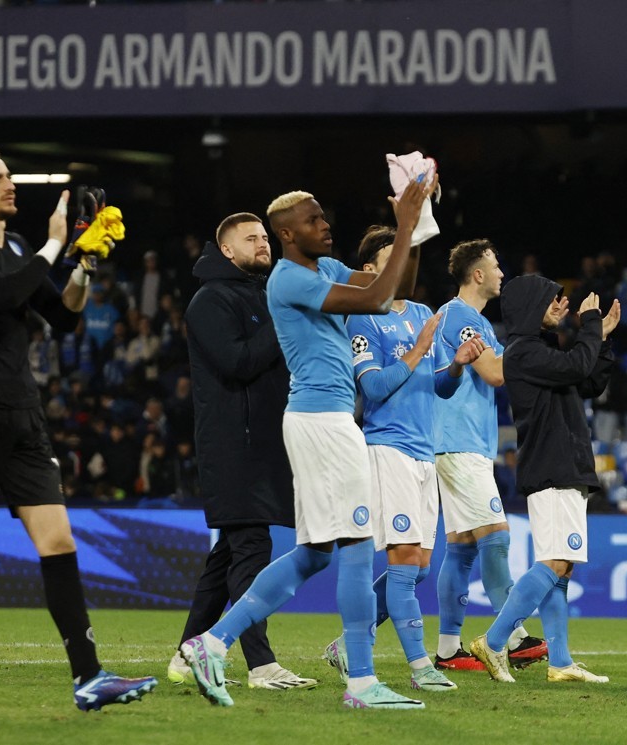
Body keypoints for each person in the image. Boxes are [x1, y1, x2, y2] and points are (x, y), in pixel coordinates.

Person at [0, 145, 156, 710]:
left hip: (24, 413)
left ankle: (88, 677)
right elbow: (1, 293)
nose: (8, 185)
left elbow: (64, 315)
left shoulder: (17, 247)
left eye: (8, 177)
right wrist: (55, 242)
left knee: (58, 539)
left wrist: (83, 264)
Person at [179, 177, 437, 710]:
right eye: (314, 220)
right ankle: (363, 683)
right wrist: (406, 223)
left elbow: (398, 290)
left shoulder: (325, 269)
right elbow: (376, 296)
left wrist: (416, 227)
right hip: (324, 421)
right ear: (288, 233)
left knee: (317, 552)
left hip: (321, 419)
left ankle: (211, 643)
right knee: (358, 548)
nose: (326, 225)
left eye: (323, 216)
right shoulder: (288, 279)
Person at [324, 226, 484, 692]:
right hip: (387, 447)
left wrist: (456, 363)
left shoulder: (419, 313)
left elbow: (440, 386)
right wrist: (417, 351)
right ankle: (420, 668)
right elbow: (371, 388)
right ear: (372, 268)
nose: (405, 264)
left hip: (423, 450)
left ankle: (346, 644)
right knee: (404, 558)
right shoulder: (363, 319)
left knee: (417, 566)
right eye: (394, 256)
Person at [165, 212, 314, 691]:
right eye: (251, 238)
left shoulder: (260, 294)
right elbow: (239, 362)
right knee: (251, 548)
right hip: (234, 444)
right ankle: (260, 664)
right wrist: (284, 321)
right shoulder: (209, 301)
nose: (263, 243)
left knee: (228, 555)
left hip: (266, 441)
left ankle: (189, 654)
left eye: (265, 237)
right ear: (226, 250)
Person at [468, 277, 619, 684]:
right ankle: (495, 640)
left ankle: (561, 661)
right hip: (553, 466)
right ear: (532, 305)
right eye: (554, 299)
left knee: (562, 566)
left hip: (563, 465)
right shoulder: (523, 352)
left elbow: (589, 380)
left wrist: (600, 340)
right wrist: (589, 325)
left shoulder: (542, 351)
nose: (563, 303)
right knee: (554, 560)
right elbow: (576, 366)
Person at [431, 240, 547, 671]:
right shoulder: (461, 317)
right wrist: (529, 338)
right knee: (496, 536)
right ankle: (513, 638)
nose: (502, 272)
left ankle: (447, 650)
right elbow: (496, 373)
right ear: (477, 274)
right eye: (496, 265)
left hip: (463, 442)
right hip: (458, 443)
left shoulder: (471, 319)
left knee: (461, 547)